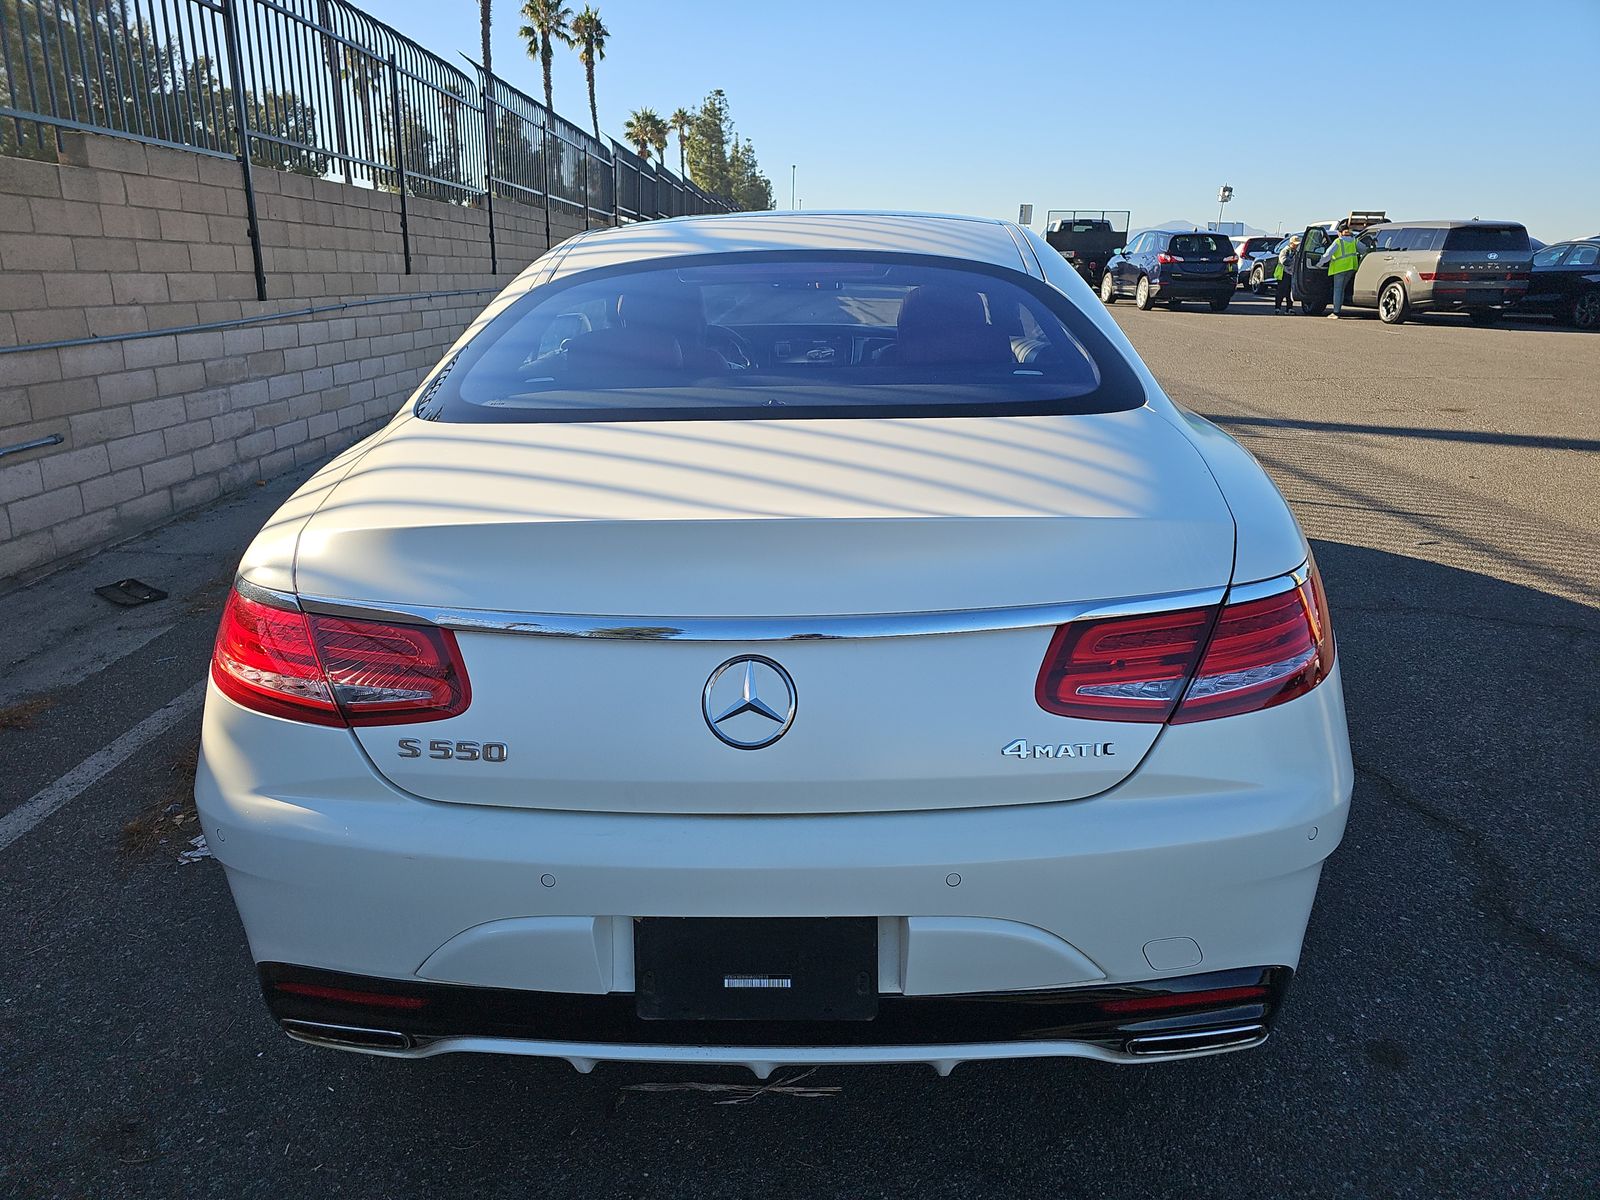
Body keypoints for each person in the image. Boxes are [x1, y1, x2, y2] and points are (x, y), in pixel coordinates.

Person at [1316, 222, 1363, 318]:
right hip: (1352, 267)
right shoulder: (1354, 240)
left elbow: (1327, 255)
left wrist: (1319, 263)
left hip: (1339, 268)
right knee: (1342, 289)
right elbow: (1364, 249)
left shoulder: (1338, 241)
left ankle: (1336, 312)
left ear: (1339, 232)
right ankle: (1338, 309)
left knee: (1338, 290)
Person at [1274, 235, 1300, 314]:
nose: (1296, 245)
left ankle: (1289, 308)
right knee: (1281, 291)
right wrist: (1291, 259)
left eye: (1297, 244)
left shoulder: (1296, 252)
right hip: (1283, 274)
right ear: (1291, 243)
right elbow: (1283, 261)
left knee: (1290, 292)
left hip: (1291, 274)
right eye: (1295, 244)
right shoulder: (1285, 250)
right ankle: (1277, 308)